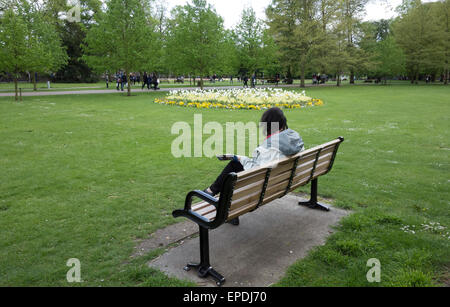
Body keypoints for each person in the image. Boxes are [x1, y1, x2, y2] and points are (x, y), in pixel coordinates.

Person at [204, 107, 305, 225]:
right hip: (286, 179)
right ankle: (212, 191)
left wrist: (240, 158)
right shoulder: (294, 138)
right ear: (283, 122)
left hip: (265, 186)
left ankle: (212, 192)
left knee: (234, 166)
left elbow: (256, 170)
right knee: (237, 164)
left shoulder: (270, 147)